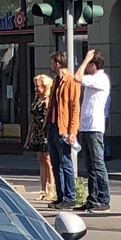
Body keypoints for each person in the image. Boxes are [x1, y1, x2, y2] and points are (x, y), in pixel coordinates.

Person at [74, 47, 112, 212]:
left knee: (98, 164)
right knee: (89, 166)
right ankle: (93, 198)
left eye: (89, 63)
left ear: (93, 64)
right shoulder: (93, 79)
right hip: (86, 126)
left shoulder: (100, 79)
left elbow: (77, 77)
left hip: (95, 127)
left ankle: (104, 199)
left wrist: (85, 60)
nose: (86, 67)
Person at [50, 59, 81, 208]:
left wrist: (72, 131)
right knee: (55, 163)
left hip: (62, 127)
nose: (50, 66)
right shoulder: (56, 80)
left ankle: (70, 197)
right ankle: (60, 196)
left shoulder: (71, 81)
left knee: (65, 162)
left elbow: (75, 108)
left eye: (51, 62)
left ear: (57, 63)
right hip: (51, 125)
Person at [26, 72, 55, 202]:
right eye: (35, 86)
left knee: (48, 161)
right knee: (41, 161)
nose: (36, 89)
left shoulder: (48, 100)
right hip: (37, 133)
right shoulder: (37, 99)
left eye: (38, 86)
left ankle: (51, 190)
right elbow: (33, 120)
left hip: (45, 133)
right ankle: (42, 190)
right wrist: (28, 138)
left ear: (45, 86)